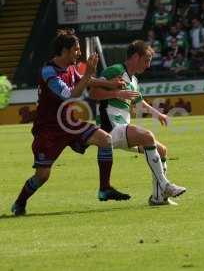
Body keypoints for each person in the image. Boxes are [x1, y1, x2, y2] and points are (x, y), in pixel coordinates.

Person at [11, 29, 130, 216]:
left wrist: (110, 84)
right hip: (49, 130)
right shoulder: (48, 71)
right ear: (64, 51)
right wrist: (88, 74)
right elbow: (70, 96)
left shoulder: (70, 68)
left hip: (70, 124)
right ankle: (20, 202)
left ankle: (104, 189)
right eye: (76, 49)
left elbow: (86, 80)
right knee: (42, 176)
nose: (79, 53)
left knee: (105, 140)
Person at [89, 40, 186, 206]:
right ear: (135, 57)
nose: (148, 65)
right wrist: (117, 93)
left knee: (162, 150)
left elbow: (139, 103)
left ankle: (157, 197)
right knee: (148, 136)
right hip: (109, 129)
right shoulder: (115, 70)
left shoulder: (133, 79)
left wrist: (158, 115)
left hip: (122, 129)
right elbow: (93, 92)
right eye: (146, 59)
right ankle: (165, 184)